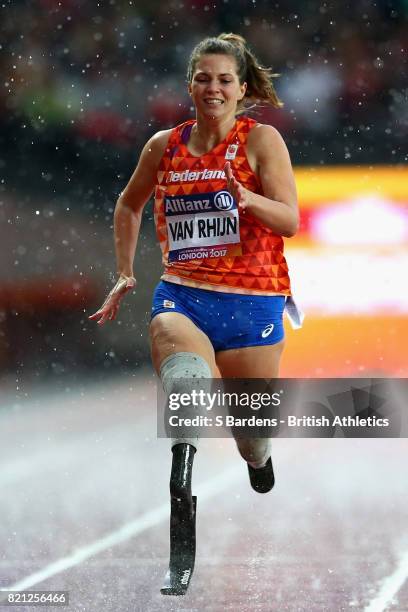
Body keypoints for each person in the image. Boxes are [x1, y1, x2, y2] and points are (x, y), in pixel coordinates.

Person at [89, 32, 300, 595]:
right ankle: (181, 499)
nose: (213, 87)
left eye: (224, 79)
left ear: (241, 88)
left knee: (251, 436)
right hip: (184, 296)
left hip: (253, 304)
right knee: (182, 379)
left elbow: (290, 221)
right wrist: (127, 270)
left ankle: (258, 458)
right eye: (203, 78)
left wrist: (248, 200)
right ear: (189, 86)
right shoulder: (165, 145)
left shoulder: (262, 141)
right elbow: (130, 203)